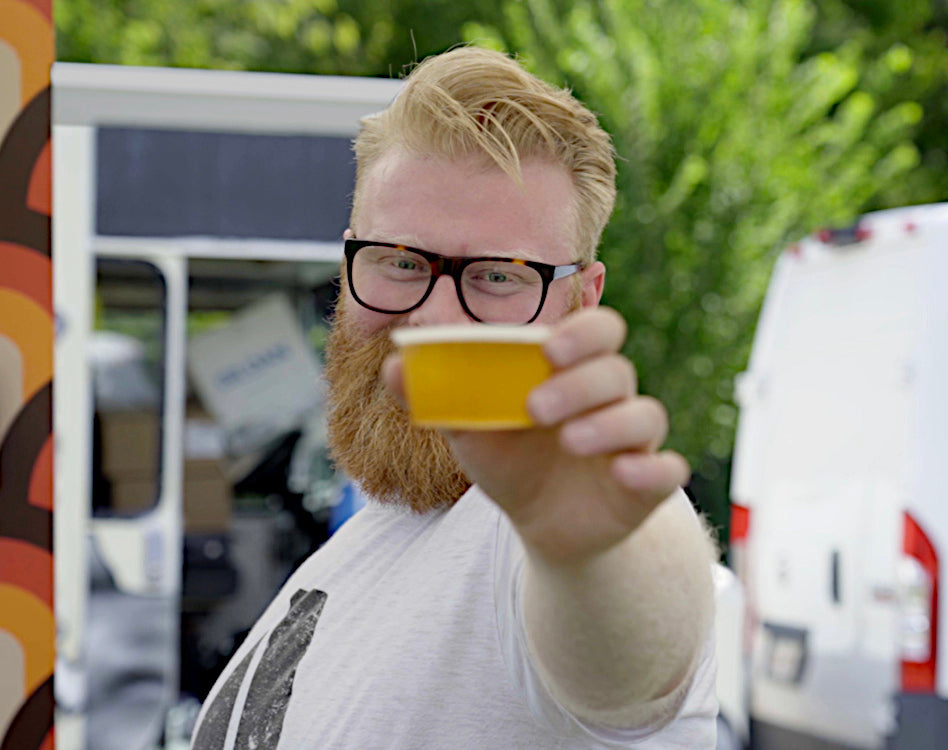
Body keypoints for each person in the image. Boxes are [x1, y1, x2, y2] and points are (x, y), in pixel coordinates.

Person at [191, 46, 718, 749]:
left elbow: (633, 659)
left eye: (498, 277)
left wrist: (590, 554)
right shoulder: (376, 534)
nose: (432, 318)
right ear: (349, 265)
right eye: (400, 263)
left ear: (580, 301)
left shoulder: (525, 527)